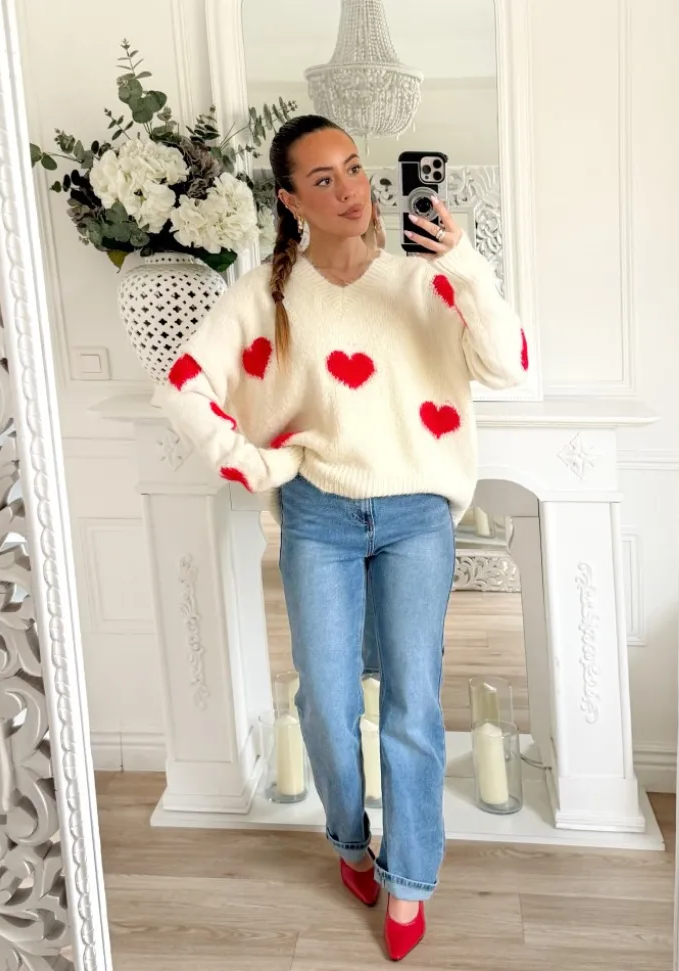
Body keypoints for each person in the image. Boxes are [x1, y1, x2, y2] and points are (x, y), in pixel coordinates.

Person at [162, 114, 528, 961]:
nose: (349, 189)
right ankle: (348, 839)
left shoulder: (426, 279)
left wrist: (464, 261)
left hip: (416, 514)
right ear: (291, 200)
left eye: (355, 169)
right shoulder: (266, 293)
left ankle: (411, 879)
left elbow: (509, 364)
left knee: (412, 702)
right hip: (319, 515)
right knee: (325, 703)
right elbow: (182, 385)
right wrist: (252, 462)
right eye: (322, 179)